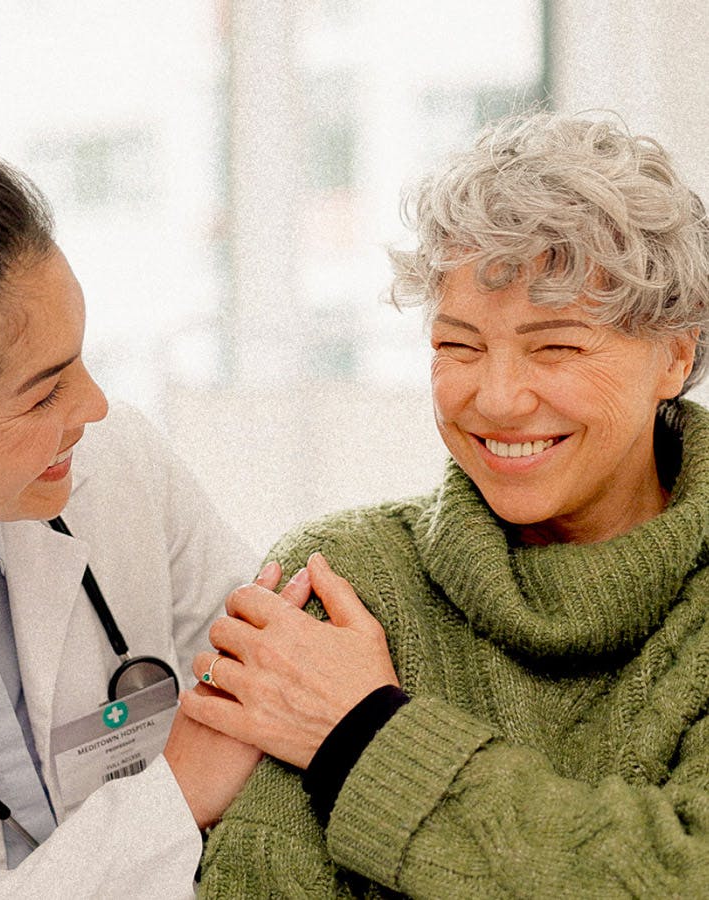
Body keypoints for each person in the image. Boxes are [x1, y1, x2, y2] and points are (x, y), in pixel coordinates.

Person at [181, 112, 709, 896]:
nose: (495, 399)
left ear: (675, 355)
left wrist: (364, 739)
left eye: (555, 346)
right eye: (456, 346)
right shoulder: (343, 579)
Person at [0, 137, 304, 898]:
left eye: (79, 360)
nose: (95, 407)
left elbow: (272, 705)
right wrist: (170, 801)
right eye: (42, 394)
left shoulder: (118, 471)